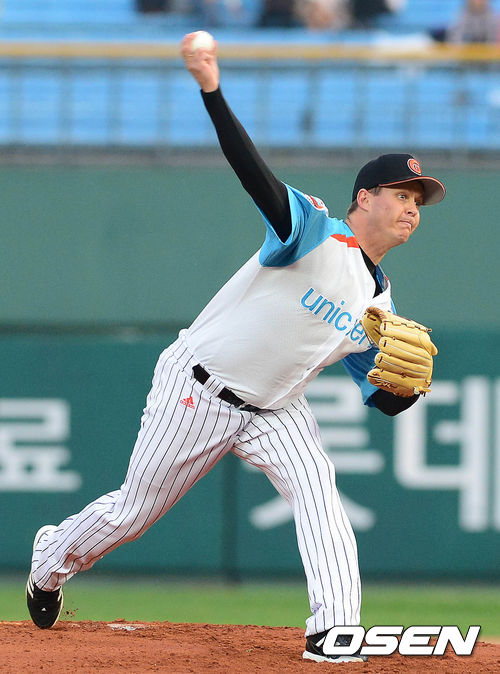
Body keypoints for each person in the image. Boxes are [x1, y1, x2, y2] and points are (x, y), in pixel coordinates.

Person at [26, 33, 445, 664]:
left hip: (277, 408)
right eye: (403, 195)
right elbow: (256, 176)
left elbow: (381, 399)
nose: (413, 209)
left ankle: (334, 631)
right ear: (365, 197)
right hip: (200, 386)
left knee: (319, 493)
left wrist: (405, 392)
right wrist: (212, 91)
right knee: (133, 512)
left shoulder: (380, 304)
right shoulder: (316, 231)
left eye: (419, 202)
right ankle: (52, 557)